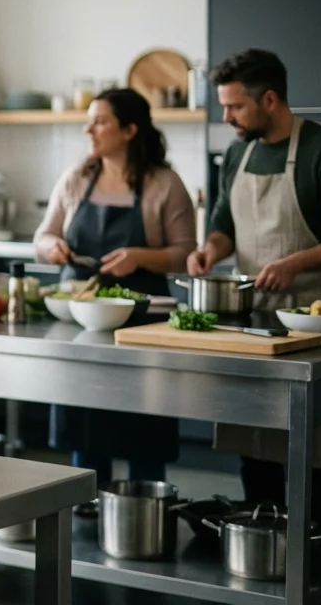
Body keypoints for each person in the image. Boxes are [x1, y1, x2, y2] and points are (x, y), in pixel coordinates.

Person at [188, 49, 321, 524]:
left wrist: (296, 263)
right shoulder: (237, 152)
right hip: (250, 325)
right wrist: (210, 249)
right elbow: (223, 222)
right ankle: (262, 538)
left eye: (235, 107)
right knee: (256, 444)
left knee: (320, 453)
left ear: (270, 99)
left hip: (315, 327)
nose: (226, 117)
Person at [34, 88, 196, 486]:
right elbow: (42, 237)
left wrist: (140, 256)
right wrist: (51, 246)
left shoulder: (164, 183)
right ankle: (85, 504)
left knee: (146, 423)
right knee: (84, 424)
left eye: (100, 121)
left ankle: (148, 501)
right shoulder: (77, 178)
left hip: (143, 326)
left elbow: (185, 252)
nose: (89, 129)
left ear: (129, 130)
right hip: (79, 324)